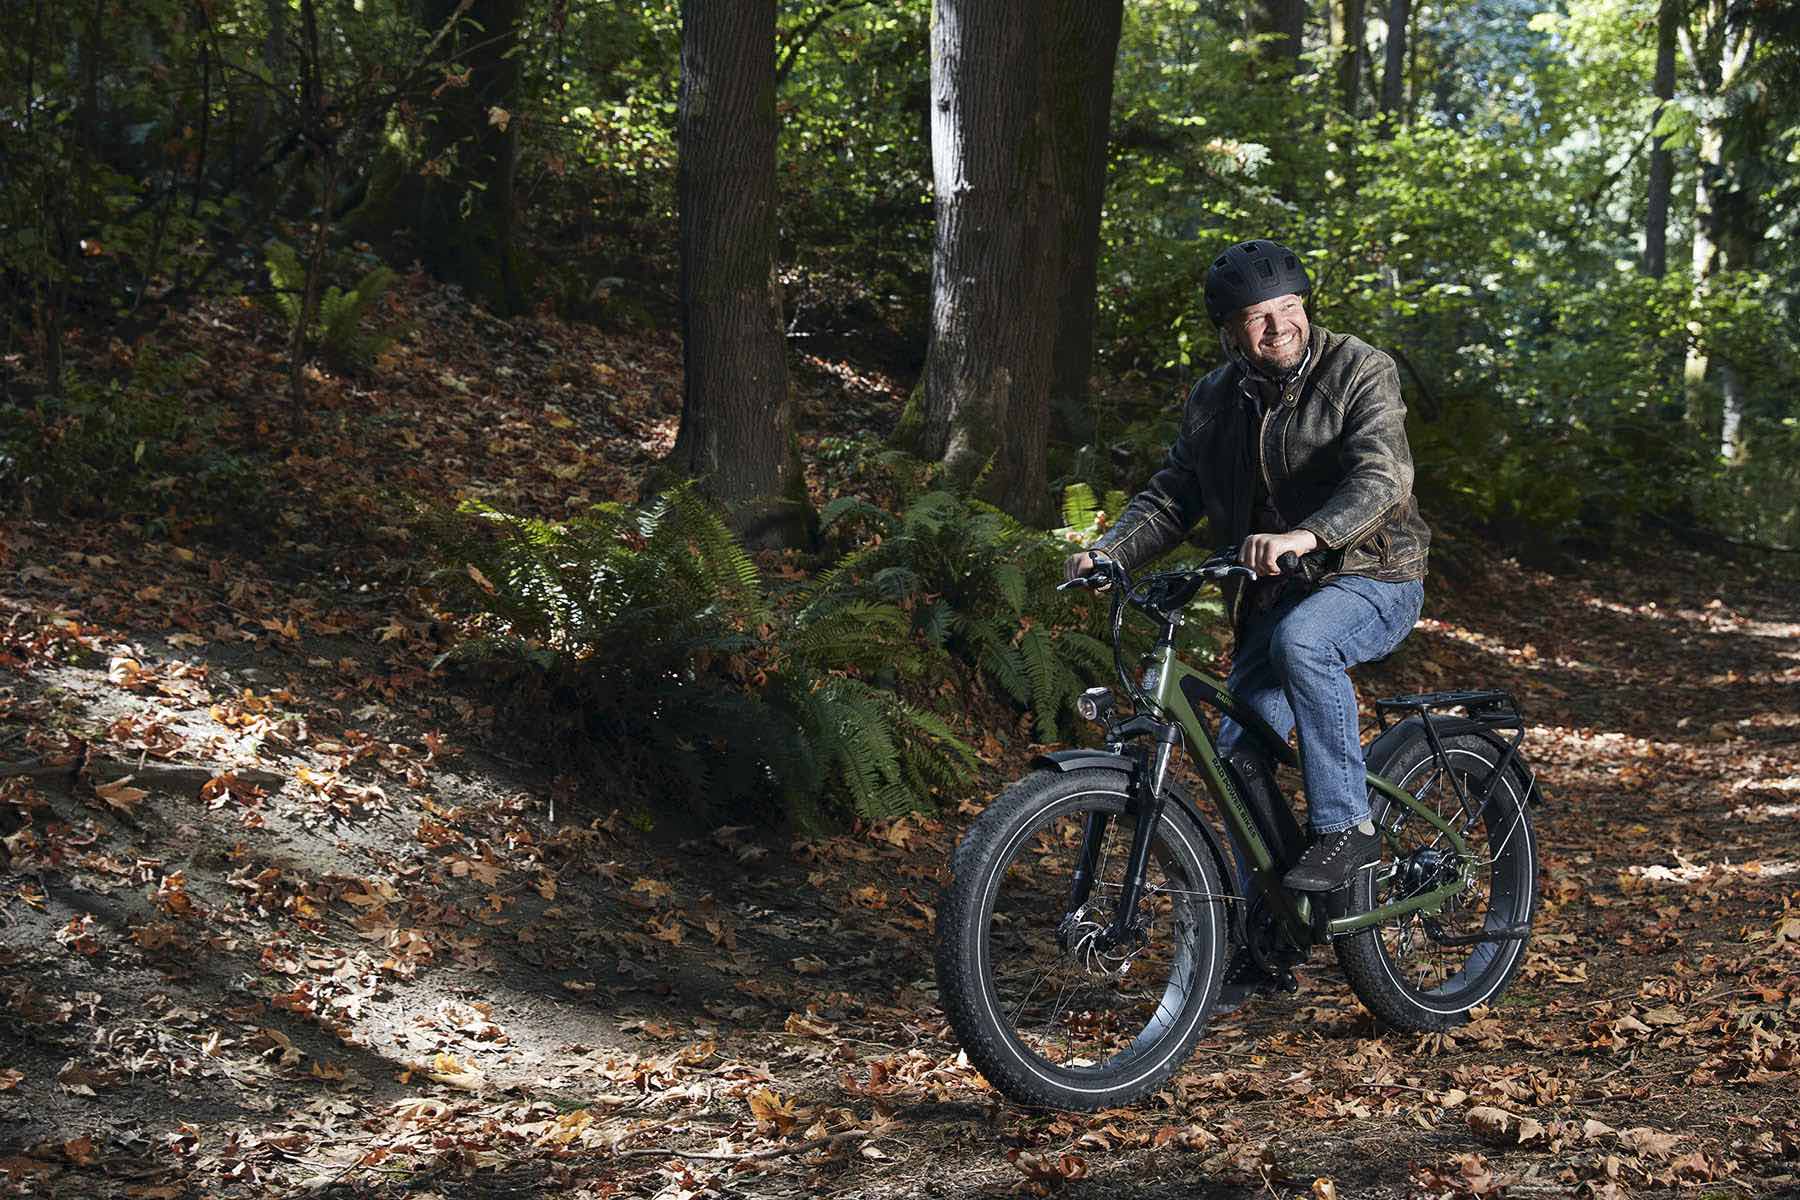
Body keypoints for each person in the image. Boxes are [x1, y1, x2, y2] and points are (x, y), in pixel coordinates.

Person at [1066, 238, 1431, 904]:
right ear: (1231, 332)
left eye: (1289, 307)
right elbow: (1176, 491)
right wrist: (1109, 554)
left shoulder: (1358, 369)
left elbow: (1384, 476)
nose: (1279, 326)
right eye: (1259, 316)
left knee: (1307, 643)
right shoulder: (1215, 399)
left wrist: (1307, 533)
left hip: (1374, 576)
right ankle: (1266, 930)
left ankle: (1348, 827)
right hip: (1275, 596)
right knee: (1236, 754)